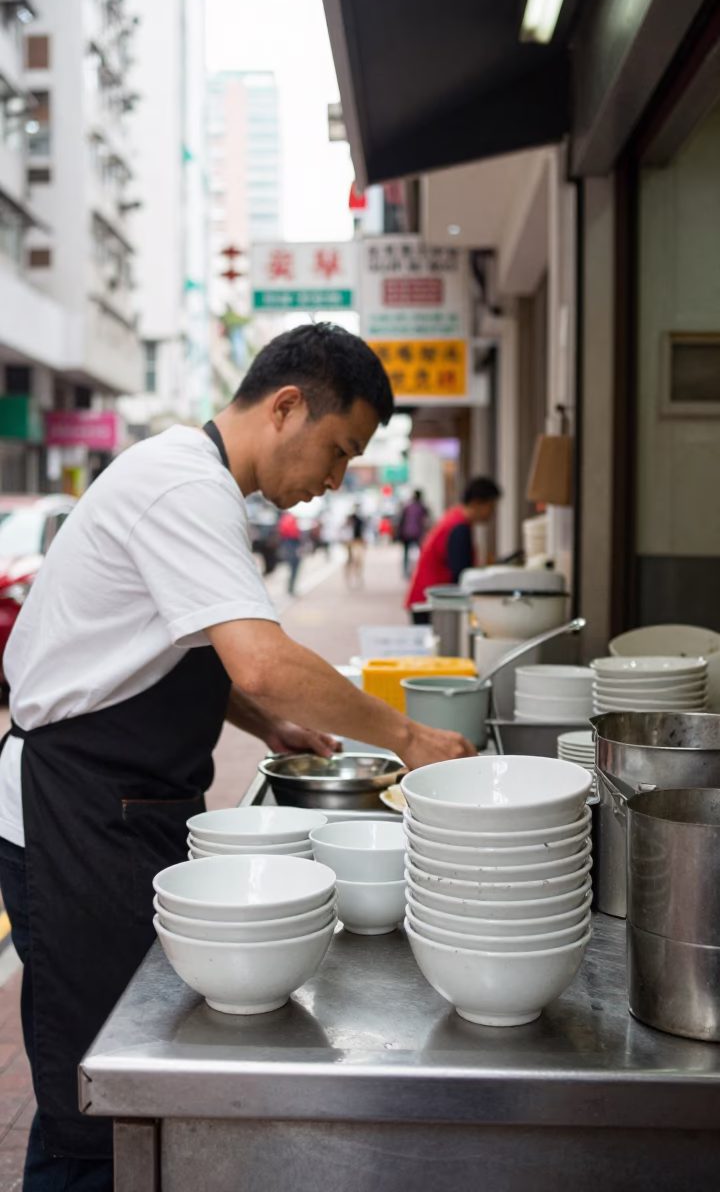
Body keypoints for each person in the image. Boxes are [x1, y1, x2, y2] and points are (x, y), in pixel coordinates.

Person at [0, 322, 475, 1190]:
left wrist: (263, 725)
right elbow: (258, 655)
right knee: (96, 1100)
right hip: (74, 813)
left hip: (121, 811)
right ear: (286, 406)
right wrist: (407, 737)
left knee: (131, 1075)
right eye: (337, 451)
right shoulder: (184, 483)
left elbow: (175, 649)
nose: (334, 481)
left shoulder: (197, 481)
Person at [405, 476, 502, 613]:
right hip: (432, 602)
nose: (493, 513)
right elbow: (461, 572)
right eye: (491, 506)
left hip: (428, 597)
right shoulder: (459, 527)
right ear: (477, 502)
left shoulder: (455, 517)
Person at [396, 489, 429, 578]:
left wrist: (400, 533)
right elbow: (426, 521)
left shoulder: (407, 507)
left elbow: (402, 520)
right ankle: (420, 571)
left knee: (406, 554)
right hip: (418, 534)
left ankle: (406, 572)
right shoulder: (422, 508)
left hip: (407, 533)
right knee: (421, 554)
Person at [277, 509, 303, 595]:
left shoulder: (284, 518)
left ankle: (290, 587)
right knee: (294, 567)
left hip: (289, 543)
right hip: (292, 544)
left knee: (292, 568)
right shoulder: (290, 518)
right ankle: (291, 588)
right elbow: (295, 533)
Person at [344, 504, 365, 588]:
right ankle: (350, 578)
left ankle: (357, 577)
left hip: (358, 542)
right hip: (352, 542)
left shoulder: (360, 520)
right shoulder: (350, 519)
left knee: (358, 561)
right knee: (351, 561)